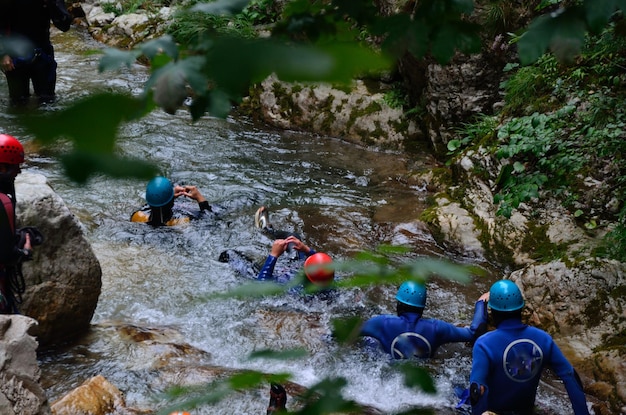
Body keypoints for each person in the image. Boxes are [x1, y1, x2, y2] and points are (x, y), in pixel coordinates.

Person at [468, 279, 590, 415]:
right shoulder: (543, 339)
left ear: (493, 311)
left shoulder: (485, 344)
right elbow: (570, 376)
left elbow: (477, 390)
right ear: (521, 308)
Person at [358, 280, 489, 359]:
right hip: (421, 377)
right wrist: (481, 303)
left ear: (399, 304)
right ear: (422, 307)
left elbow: (344, 332)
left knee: (369, 340)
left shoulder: (382, 323)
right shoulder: (437, 328)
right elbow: (474, 332)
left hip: (386, 377)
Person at [0, 0, 73, 106]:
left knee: (47, 103)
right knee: (18, 104)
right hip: (13, 57)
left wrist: (51, 3)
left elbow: (65, 25)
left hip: (42, 55)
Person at [0, 134, 41, 314]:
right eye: (16, 166)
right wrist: (26, 248)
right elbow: (8, 256)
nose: (19, 172)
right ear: (2, 168)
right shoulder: (3, 203)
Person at [130, 176, 212, 227]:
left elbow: (154, 203)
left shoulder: (137, 217)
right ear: (172, 202)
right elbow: (209, 219)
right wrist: (199, 198)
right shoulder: (181, 222)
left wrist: (168, 195)